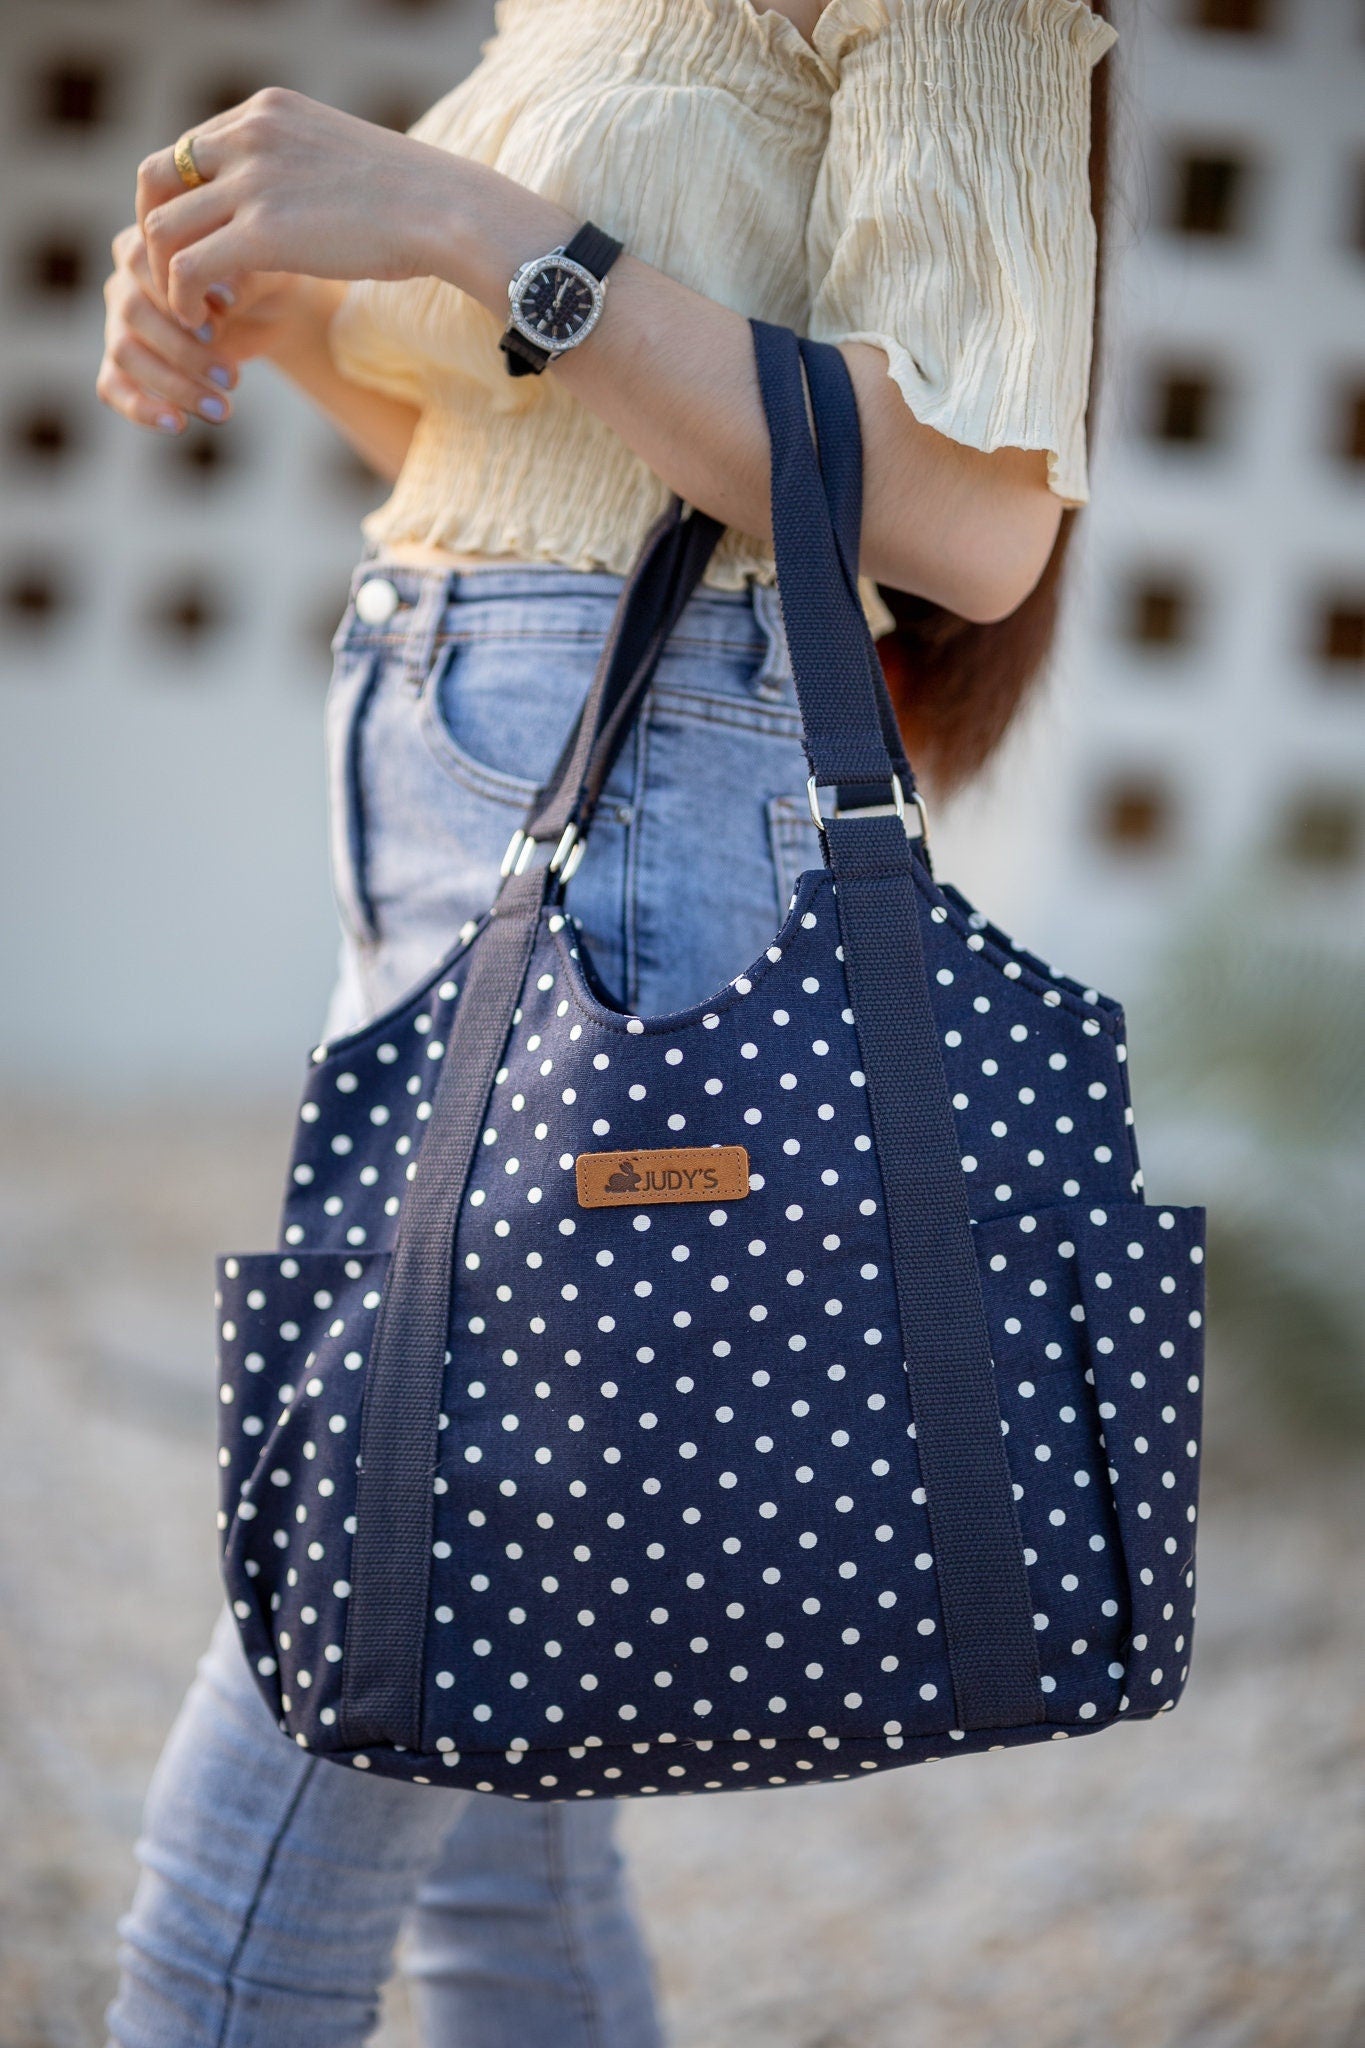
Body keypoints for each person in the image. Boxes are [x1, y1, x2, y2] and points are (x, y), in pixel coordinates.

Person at [97, 3, 1117, 2041]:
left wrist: (472, 225)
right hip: (461, 783)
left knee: (350, 1646)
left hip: (643, 814)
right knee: (490, 1760)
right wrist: (298, 324)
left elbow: (968, 519)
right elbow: (559, 468)